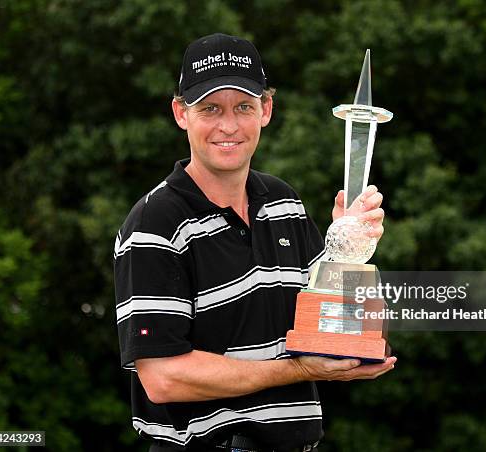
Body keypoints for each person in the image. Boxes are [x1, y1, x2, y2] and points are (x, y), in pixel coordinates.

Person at [114, 33, 397, 452]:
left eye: (243, 106)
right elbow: (164, 379)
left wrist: (346, 254)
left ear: (266, 109)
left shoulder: (284, 203)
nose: (228, 126)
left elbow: (338, 333)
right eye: (210, 108)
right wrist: (298, 370)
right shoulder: (155, 224)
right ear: (180, 113)